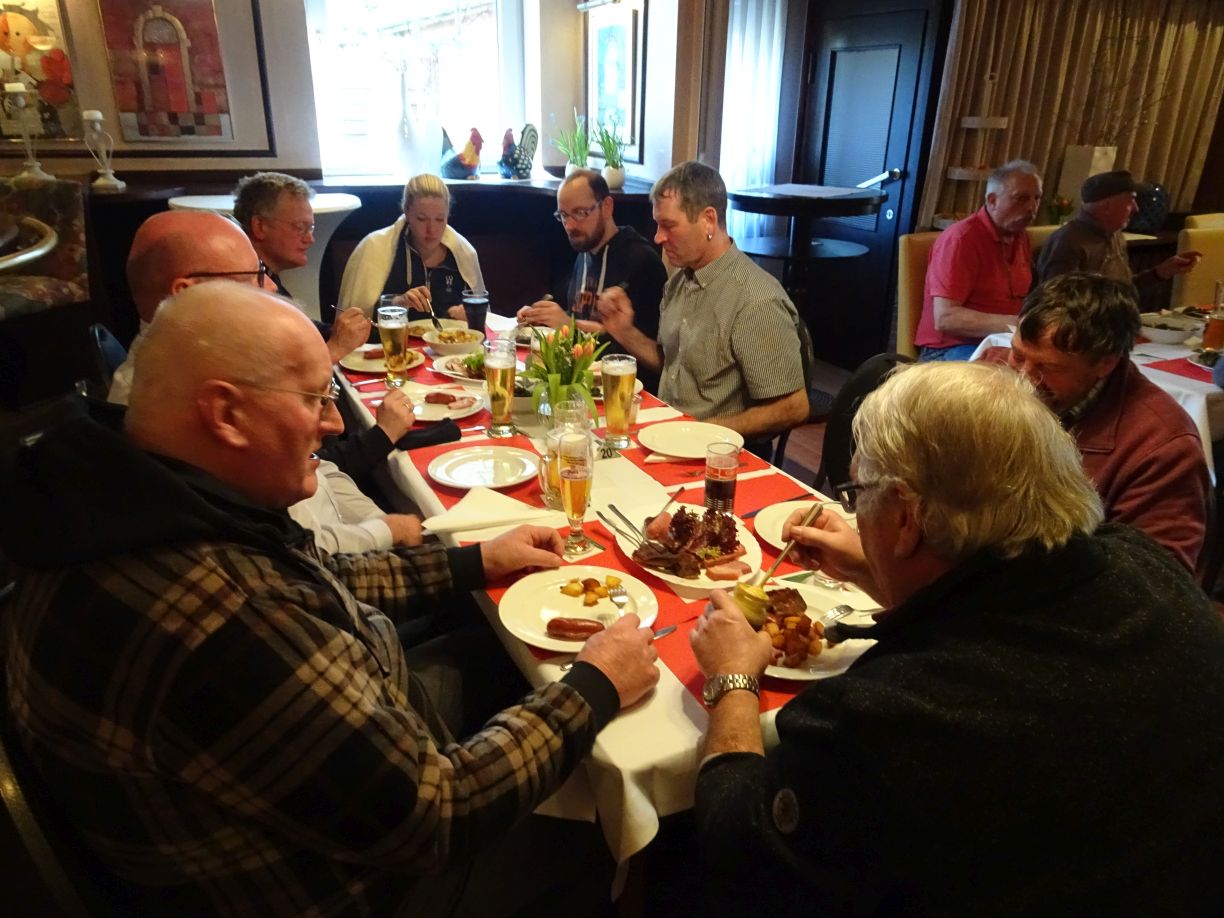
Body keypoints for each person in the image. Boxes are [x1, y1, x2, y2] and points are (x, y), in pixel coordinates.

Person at [1, 282, 661, 916]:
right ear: (225, 413)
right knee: (628, 831)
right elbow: (441, 813)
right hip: (358, 888)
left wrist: (475, 561)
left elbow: (322, 575)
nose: (335, 421)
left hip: (324, 772)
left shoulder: (131, 501)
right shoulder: (224, 615)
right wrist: (595, 684)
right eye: (316, 399)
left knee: (494, 652)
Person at [689, 361, 1224, 915]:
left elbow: (739, 844)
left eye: (857, 493)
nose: (855, 513)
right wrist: (873, 568)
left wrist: (733, 681)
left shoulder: (888, 713)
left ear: (906, 519)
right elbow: (989, 601)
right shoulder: (1151, 569)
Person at [110, 210, 423, 549]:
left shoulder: (223, 358)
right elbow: (297, 548)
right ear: (186, 293)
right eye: (255, 275)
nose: (271, 285)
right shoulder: (167, 401)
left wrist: (379, 522)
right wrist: (386, 532)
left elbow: (322, 471)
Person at [989, 272, 1209, 574]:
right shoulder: (991, 370)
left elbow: (1155, 579)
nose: (1023, 376)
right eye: (1017, 354)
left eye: (1049, 367)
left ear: (1106, 363)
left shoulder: (1162, 445)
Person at [599, 161, 808, 453]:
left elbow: (793, 407)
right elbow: (675, 365)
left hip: (722, 455)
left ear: (708, 220)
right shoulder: (679, 281)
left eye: (668, 225)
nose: (658, 237)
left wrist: (703, 432)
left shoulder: (756, 300)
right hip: (669, 439)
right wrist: (624, 331)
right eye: (658, 224)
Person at [516, 169, 667, 390]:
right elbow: (578, 315)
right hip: (580, 385)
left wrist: (568, 327)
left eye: (580, 213)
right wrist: (541, 316)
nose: (570, 226)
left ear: (607, 206)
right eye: (563, 215)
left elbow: (647, 355)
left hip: (625, 390)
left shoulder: (642, 262)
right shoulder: (584, 251)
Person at [233, 171, 373, 359]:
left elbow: (301, 326)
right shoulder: (242, 287)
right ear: (260, 226)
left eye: (311, 228)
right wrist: (336, 347)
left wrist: (336, 331)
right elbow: (278, 373)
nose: (310, 239)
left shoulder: (266, 272)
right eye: (300, 228)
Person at [914, 160, 1043, 360]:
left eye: (1037, 198)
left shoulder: (1021, 237)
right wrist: (1015, 324)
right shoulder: (962, 239)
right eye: (1021, 198)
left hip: (1000, 340)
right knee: (1020, 372)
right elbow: (946, 318)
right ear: (992, 200)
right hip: (948, 349)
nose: (1032, 208)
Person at [338, 173, 484, 321]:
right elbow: (358, 320)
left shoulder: (464, 254)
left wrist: (465, 315)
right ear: (406, 213)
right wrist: (399, 303)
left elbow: (480, 318)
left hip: (449, 336)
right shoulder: (374, 248)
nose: (432, 229)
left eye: (440, 219)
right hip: (393, 335)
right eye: (421, 219)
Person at [1036, 169, 1200, 291]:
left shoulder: (1115, 236)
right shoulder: (1068, 242)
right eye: (1130, 201)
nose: (1136, 208)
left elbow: (1121, 291)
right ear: (1106, 206)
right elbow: (1058, 303)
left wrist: (1160, 272)